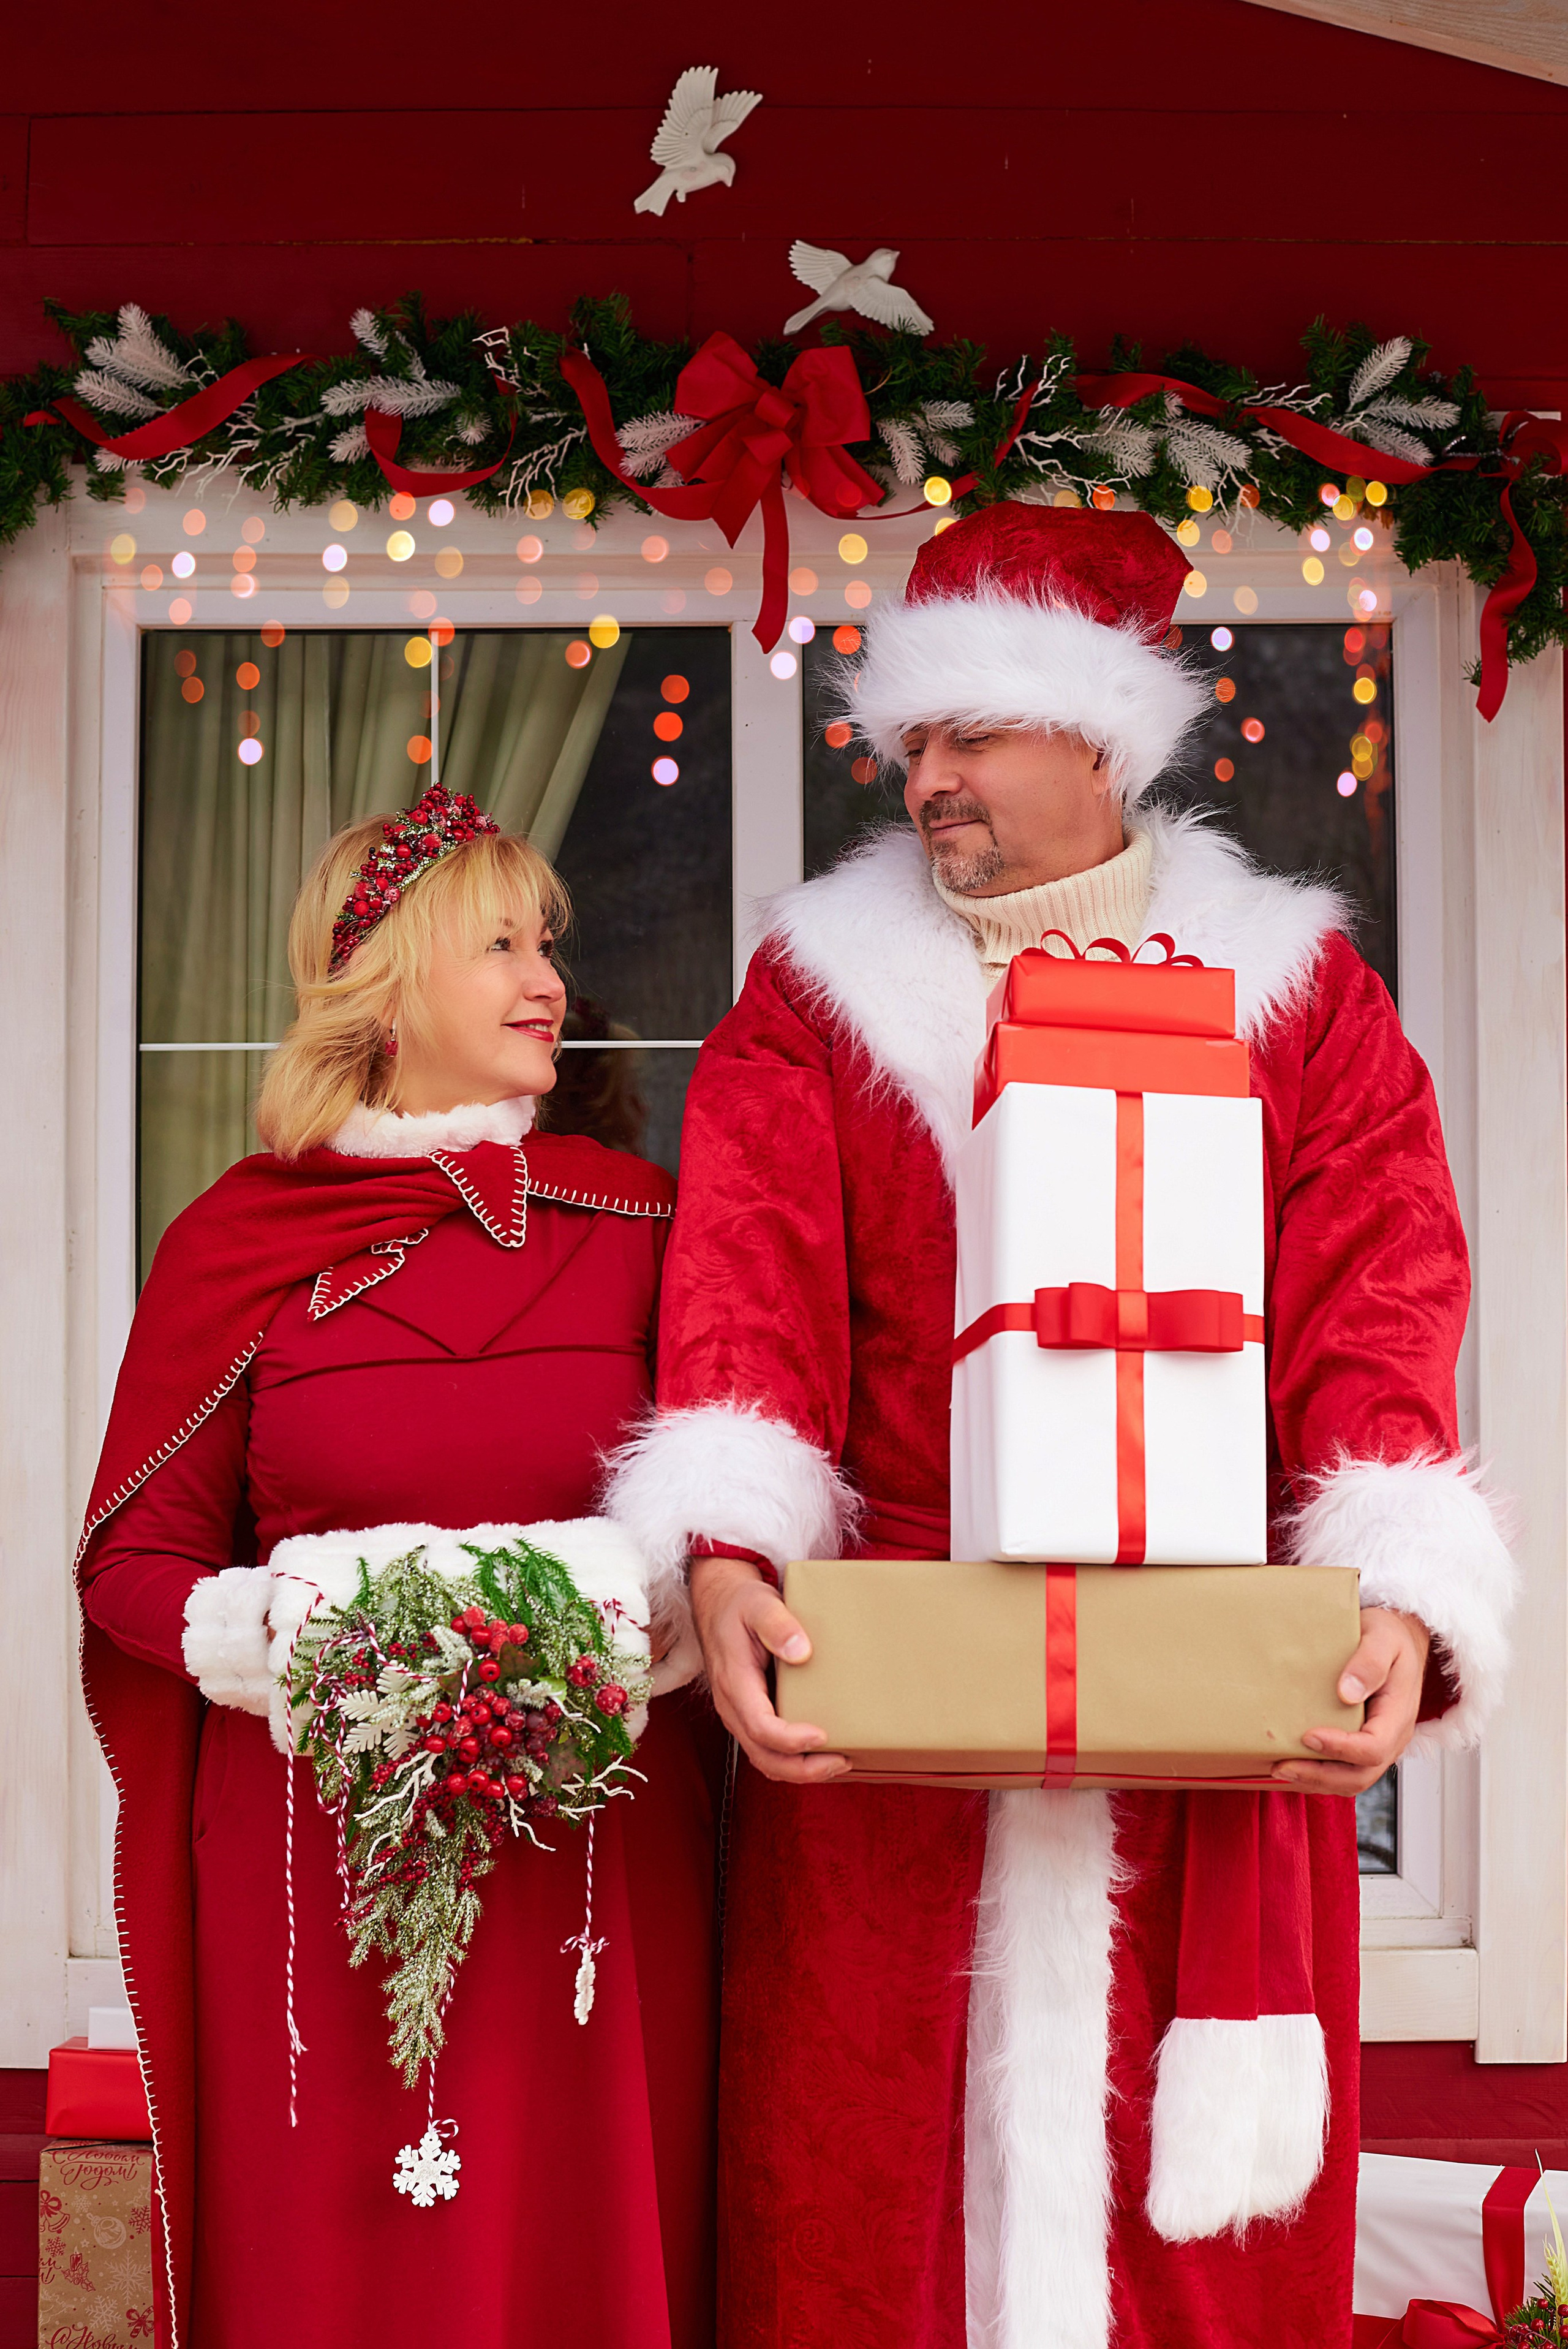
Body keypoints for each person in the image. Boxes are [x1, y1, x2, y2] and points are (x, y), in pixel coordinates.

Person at [605, 505, 1517, 2349]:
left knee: (1192, 2236)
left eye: (968, 739)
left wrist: (1399, 1581)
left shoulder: (1296, 995)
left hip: (1202, 1700)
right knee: (861, 2192)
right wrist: (723, 1552)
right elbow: (747, 1289)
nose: (923, 778)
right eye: (911, 743)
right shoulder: (816, 995)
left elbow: (1381, 1299)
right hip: (889, 1703)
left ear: (1095, 741)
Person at [78, 784, 722, 2349]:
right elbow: (134, 1560)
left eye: (549, 941)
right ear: (385, 981)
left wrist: (623, 1625)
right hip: (315, 1872)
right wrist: (317, 1639)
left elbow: (742, 1510)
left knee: (584, 2244)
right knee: (337, 2263)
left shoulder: (645, 1227)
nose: (547, 978)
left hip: (593, 1864)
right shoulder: (236, 1243)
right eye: (500, 940)